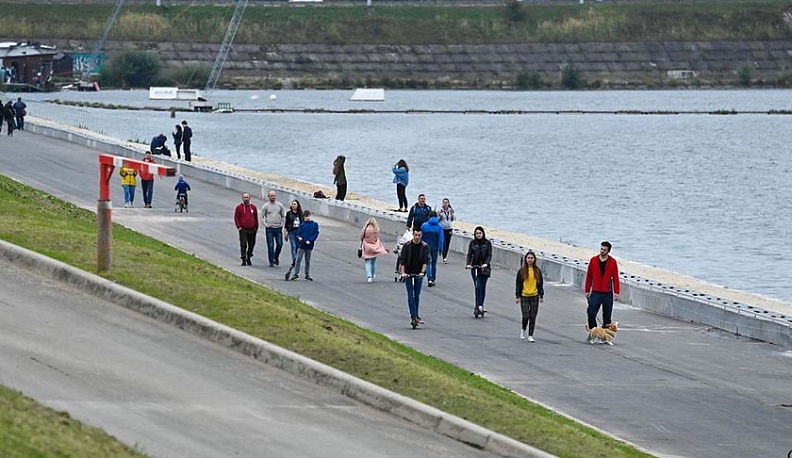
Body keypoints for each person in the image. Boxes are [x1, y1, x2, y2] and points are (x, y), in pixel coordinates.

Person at [584, 241, 621, 342]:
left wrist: (616, 291)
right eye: (601, 249)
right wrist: (587, 290)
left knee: (607, 316)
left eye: (604, 250)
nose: (602, 251)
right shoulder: (594, 260)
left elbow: (615, 277)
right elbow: (589, 276)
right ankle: (594, 331)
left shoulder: (612, 262)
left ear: (608, 251)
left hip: (607, 292)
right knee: (591, 312)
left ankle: (604, 336)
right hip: (596, 291)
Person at [399, 228, 430, 328]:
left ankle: (416, 315)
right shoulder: (407, 246)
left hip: (418, 273)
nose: (417, 237)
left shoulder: (424, 246)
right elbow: (402, 261)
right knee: (410, 295)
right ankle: (413, 315)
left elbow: (426, 261)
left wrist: (422, 272)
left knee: (416, 295)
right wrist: (403, 273)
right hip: (408, 273)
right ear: (413, 235)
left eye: (419, 235)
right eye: (415, 235)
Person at [515, 251, 545, 342]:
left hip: (534, 295)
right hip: (524, 295)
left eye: (532, 258)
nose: (530, 260)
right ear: (526, 259)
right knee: (526, 315)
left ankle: (531, 335)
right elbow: (518, 284)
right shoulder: (521, 271)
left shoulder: (537, 271)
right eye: (528, 258)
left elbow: (540, 284)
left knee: (533, 316)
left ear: (534, 259)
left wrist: (541, 295)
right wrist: (517, 296)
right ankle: (523, 329)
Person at [466, 226, 492, 317]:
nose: (478, 235)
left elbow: (489, 255)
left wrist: (486, 263)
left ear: (483, 233)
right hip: (475, 267)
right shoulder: (473, 243)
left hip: (484, 268)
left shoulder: (487, 243)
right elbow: (469, 254)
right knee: (478, 286)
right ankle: (478, 305)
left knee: (483, 287)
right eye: (477, 233)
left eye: (480, 233)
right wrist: (468, 264)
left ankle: (481, 304)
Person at [289, 210, 319, 281]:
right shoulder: (302, 225)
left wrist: (310, 240)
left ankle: (307, 274)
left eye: (308, 216)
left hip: (309, 244)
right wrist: (299, 238)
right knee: (298, 259)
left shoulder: (315, 225)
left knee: (307, 260)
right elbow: (299, 234)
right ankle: (296, 273)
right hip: (302, 244)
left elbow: (315, 234)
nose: (307, 218)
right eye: (306, 216)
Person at [360, 217, 388, 283]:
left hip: (367, 246)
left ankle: (369, 276)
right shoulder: (376, 229)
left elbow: (361, 235)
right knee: (373, 261)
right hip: (374, 246)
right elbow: (377, 237)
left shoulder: (366, 228)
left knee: (367, 261)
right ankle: (373, 274)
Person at [420, 211, 445, 287]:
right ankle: (433, 279)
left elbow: (421, 237)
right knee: (434, 263)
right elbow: (441, 239)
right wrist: (441, 249)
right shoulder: (439, 227)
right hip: (435, 247)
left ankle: (429, 277)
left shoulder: (424, 225)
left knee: (427, 262)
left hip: (425, 246)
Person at [234, 192, 258, 266]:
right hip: (243, 229)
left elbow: (255, 218)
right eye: (245, 197)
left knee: (251, 244)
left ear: (249, 198)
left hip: (252, 229)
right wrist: (239, 227)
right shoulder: (239, 207)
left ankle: (249, 257)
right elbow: (236, 217)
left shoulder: (253, 207)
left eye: (247, 197)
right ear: (242, 198)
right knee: (243, 244)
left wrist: (256, 228)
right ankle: (243, 258)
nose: (246, 199)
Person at [262, 190, 285, 267]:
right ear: (268, 197)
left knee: (280, 244)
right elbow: (261, 216)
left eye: (274, 195)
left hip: (278, 228)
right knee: (270, 245)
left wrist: (282, 224)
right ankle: (271, 261)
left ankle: (276, 257)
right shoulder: (266, 206)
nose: (273, 197)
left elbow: (283, 216)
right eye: (271, 196)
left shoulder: (280, 205)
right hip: (270, 229)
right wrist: (265, 224)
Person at [284, 199, 303, 276]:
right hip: (291, 231)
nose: (293, 205)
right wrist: (285, 232)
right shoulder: (289, 213)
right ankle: (294, 260)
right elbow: (286, 223)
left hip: (298, 231)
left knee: (297, 247)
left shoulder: (300, 214)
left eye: (295, 204)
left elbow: (302, 223)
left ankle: (297, 259)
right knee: (293, 245)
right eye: (292, 204)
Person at [437, 198, 455, 263]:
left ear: (448, 203)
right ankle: (444, 256)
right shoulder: (440, 211)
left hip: (449, 228)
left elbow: (452, 220)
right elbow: (437, 220)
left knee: (447, 243)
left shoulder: (451, 211)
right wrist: (440, 216)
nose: (445, 204)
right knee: (443, 242)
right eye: (444, 202)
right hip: (442, 228)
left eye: (446, 202)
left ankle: (445, 255)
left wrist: (453, 216)